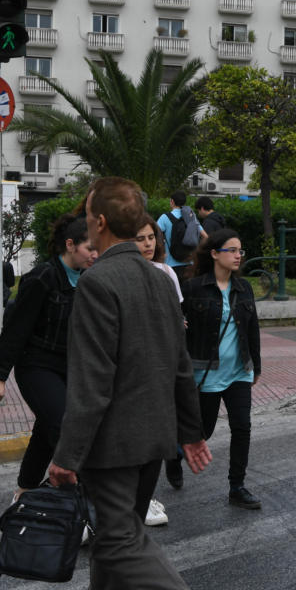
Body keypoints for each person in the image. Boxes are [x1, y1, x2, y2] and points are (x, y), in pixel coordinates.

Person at [47, 176, 232, 590]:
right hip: (155, 436)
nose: (87, 220)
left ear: (100, 222)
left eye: (88, 213)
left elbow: (91, 384)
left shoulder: (98, 283)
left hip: (112, 442)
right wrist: (189, 432)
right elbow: (179, 364)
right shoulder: (158, 277)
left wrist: (66, 456)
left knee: (121, 539)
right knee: (115, 535)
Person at [0, 214, 96, 501]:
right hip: (37, 365)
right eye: (90, 248)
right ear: (70, 245)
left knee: (46, 428)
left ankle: (25, 490)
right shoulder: (42, 278)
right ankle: (77, 500)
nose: (95, 255)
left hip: (72, 368)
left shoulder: (90, 278)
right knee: (64, 426)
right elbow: (16, 328)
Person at [169, 228, 262, 509]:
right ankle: (173, 455)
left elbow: (253, 328)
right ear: (214, 254)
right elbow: (175, 323)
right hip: (205, 371)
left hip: (238, 372)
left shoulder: (243, 287)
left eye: (240, 251)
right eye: (231, 250)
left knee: (242, 427)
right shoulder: (193, 288)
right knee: (203, 431)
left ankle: (237, 486)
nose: (237, 256)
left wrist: (255, 365)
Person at [132, 216, 181, 528]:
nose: (148, 243)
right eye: (141, 238)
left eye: (152, 237)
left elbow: (176, 318)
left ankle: (146, 496)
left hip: (162, 363)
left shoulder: (166, 273)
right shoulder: (121, 276)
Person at [157, 190, 207, 271]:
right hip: (190, 264)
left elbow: (154, 235)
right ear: (184, 203)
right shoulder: (191, 217)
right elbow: (206, 237)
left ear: (172, 201)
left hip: (171, 265)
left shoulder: (165, 217)